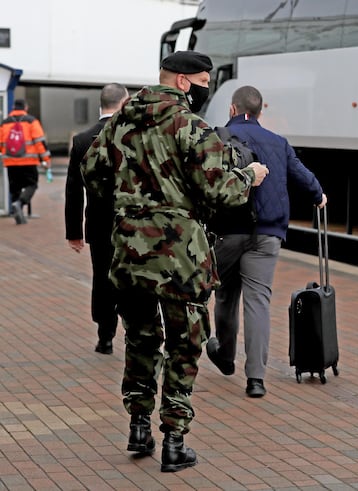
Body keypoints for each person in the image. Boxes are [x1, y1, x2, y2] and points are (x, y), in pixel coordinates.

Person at [81, 52, 268, 472]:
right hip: (181, 256)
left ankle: (138, 427)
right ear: (184, 82)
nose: (205, 88)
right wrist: (249, 177)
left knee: (141, 338)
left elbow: (92, 173)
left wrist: (133, 208)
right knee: (185, 343)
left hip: (128, 252)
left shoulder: (119, 123)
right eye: (203, 81)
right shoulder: (192, 127)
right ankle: (175, 441)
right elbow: (221, 192)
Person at [206, 85, 327, 398]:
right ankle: (256, 379)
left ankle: (226, 355)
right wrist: (319, 196)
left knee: (225, 294)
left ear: (232, 110)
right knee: (258, 301)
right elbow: (303, 176)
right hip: (268, 234)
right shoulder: (278, 142)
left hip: (229, 231)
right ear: (260, 111)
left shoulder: (217, 138)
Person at [65, 83, 129, 354]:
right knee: (130, 278)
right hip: (131, 223)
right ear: (124, 103)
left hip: (99, 223)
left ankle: (105, 336)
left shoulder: (82, 139)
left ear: (100, 104)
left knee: (102, 278)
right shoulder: (130, 136)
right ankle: (134, 332)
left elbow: (73, 189)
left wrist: (74, 231)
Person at [0, 98, 51, 224]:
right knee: (32, 184)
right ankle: (20, 203)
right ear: (25, 108)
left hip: (11, 162)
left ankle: (18, 214)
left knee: (15, 188)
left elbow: (1, 144)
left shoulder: (4, 123)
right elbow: (40, 142)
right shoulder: (31, 121)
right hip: (29, 161)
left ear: (13, 108)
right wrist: (46, 159)